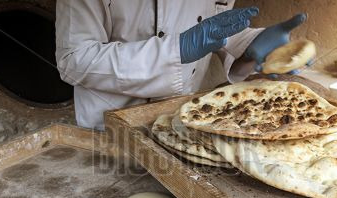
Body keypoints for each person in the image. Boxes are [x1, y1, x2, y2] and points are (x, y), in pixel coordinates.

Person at [56, 0, 307, 130]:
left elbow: (213, 32)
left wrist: (250, 46)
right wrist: (176, 50)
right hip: (108, 128)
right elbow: (73, 60)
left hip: (186, 120)